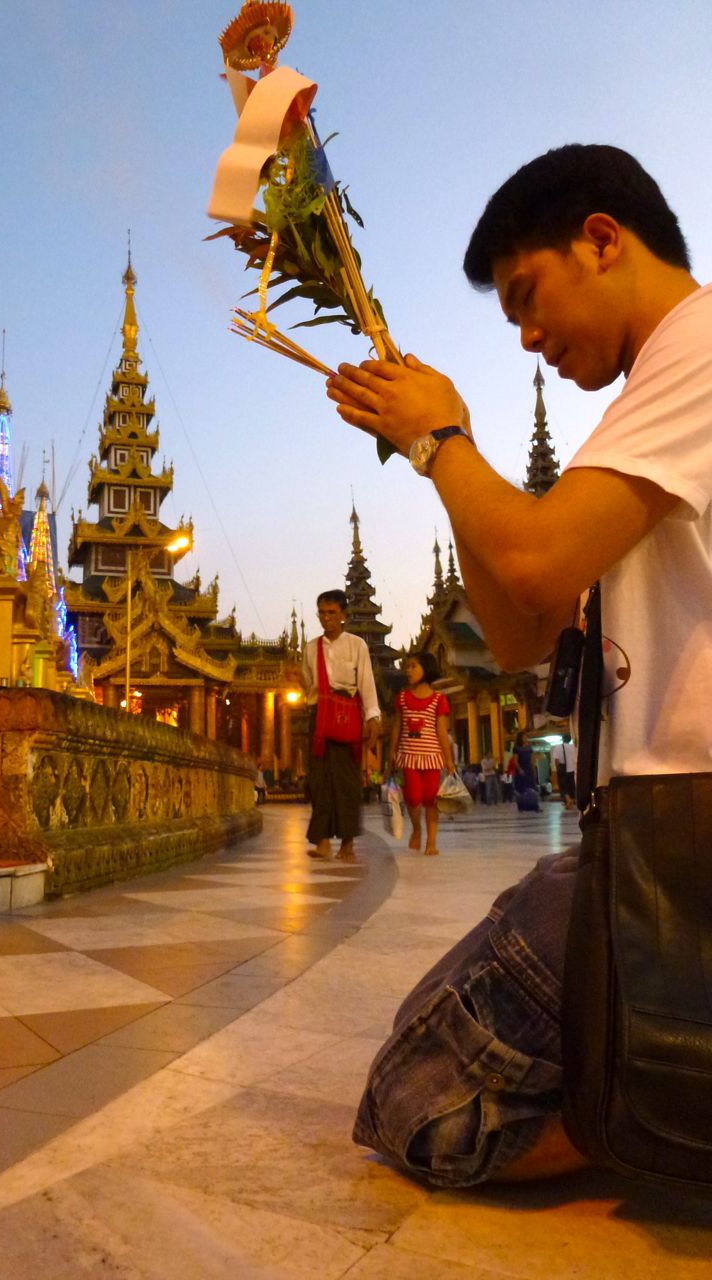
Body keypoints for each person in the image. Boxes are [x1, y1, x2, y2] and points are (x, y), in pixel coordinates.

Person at [326, 143, 709, 1187]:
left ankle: (656, 1149)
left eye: (529, 298)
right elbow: (520, 637)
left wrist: (444, 435)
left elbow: (534, 561)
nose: (531, 337)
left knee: (423, 1108)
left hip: (694, 851)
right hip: (649, 842)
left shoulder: (703, 347)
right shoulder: (648, 405)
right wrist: (440, 452)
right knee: (427, 1043)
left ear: (602, 240)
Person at [302, 589, 381, 861]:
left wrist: (372, 716)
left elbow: (366, 683)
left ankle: (347, 844)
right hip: (319, 718)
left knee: (347, 783)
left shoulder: (356, 645)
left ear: (343, 615)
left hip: (347, 716)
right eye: (322, 613)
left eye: (332, 613)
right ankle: (322, 841)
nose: (327, 619)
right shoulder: (311, 648)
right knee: (319, 781)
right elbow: (308, 686)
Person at [390, 652, 456, 856]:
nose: (408, 671)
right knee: (413, 797)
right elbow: (397, 726)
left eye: (413, 666)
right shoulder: (402, 698)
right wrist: (391, 751)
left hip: (432, 757)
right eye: (407, 667)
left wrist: (448, 759)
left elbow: (441, 731)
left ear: (426, 669)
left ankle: (432, 842)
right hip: (409, 755)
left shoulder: (438, 700)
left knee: (431, 799)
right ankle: (417, 829)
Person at [553, 734, 578, 808]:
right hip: (572, 770)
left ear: (562, 739)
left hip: (563, 770)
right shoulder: (573, 747)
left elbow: (556, 760)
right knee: (571, 787)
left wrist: (558, 769)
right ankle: (570, 802)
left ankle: (568, 800)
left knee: (563, 787)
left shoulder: (557, 747)